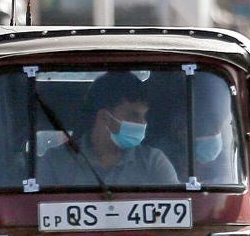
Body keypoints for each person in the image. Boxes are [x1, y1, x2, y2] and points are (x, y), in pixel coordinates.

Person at [38, 71, 179, 187]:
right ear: (105, 117)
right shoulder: (55, 162)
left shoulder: (153, 162)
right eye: (133, 115)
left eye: (144, 116)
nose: (142, 123)